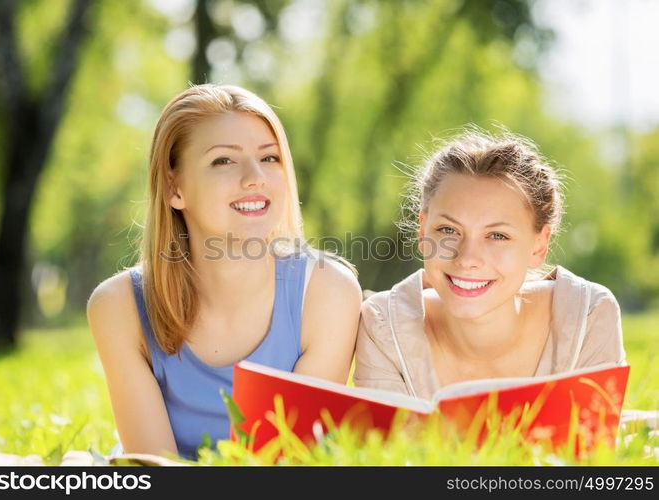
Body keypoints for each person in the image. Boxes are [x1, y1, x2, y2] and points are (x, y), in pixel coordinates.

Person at [87, 84, 362, 460]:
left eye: (269, 158)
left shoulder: (328, 293)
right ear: (174, 187)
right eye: (223, 161)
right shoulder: (118, 307)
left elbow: (292, 465)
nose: (255, 178)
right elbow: (155, 472)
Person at [354, 130, 626, 399]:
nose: (468, 259)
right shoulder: (383, 327)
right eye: (448, 230)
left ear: (539, 245)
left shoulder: (587, 316)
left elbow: (594, 436)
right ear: (423, 232)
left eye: (497, 236)